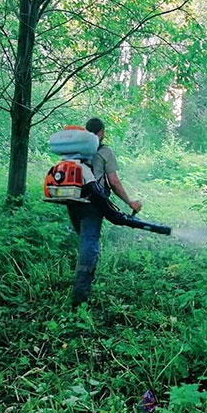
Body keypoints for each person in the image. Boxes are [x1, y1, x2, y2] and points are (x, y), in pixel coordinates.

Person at [67, 117, 142, 307]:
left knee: (85, 240)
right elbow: (114, 182)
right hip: (93, 203)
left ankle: (86, 282)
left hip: (73, 200)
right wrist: (130, 202)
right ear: (101, 132)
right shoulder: (104, 151)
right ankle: (80, 296)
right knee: (89, 245)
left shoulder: (75, 149)